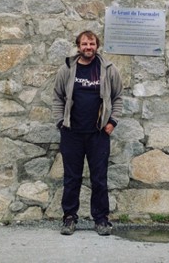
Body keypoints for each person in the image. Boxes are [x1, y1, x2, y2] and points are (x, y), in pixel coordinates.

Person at [52, 30, 123, 236]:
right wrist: (60, 122)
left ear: (97, 46)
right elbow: (57, 97)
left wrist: (112, 123)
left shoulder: (108, 69)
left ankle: (101, 219)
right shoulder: (67, 69)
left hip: (98, 134)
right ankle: (69, 218)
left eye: (91, 44)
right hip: (72, 133)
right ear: (78, 46)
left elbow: (118, 97)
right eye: (84, 44)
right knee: (71, 178)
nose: (88, 47)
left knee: (99, 178)